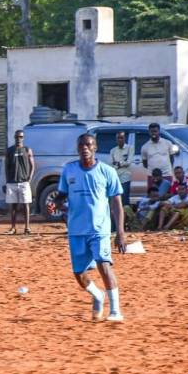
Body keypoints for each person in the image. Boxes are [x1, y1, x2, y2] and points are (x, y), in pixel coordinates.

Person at [56, 134, 126, 323]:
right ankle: (97, 295)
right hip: (76, 229)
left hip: (99, 229)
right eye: (81, 145)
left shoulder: (107, 171)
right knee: (79, 274)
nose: (84, 148)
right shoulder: (69, 170)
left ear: (95, 148)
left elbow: (116, 203)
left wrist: (120, 232)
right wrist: (57, 203)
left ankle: (115, 311)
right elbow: (61, 195)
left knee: (104, 265)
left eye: (88, 145)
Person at [4, 130, 35, 234]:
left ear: (23, 138)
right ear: (14, 137)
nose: (19, 139)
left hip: (24, 182)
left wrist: (29, 178)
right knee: (13, 206)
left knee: (25, 205)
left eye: (21, 137)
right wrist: (7, 181)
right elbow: (6, 166)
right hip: (12, 181)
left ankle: (27, 227)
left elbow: (32, 165)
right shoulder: (10, 150)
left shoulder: (27, 150)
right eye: (17, 137)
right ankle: (13, 227)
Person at [109, 131, 132, 207]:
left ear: (125, 138)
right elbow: (111, 163)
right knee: (116, 198)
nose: (120, 140)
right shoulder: (113, 150)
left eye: (121, 138)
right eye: (118, 138)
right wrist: (122, 163)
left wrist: (118, 163)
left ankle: (127, 216)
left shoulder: (129, 148)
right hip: (116, 177)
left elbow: (129, 162)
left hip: (125, 177)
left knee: (125, 198)